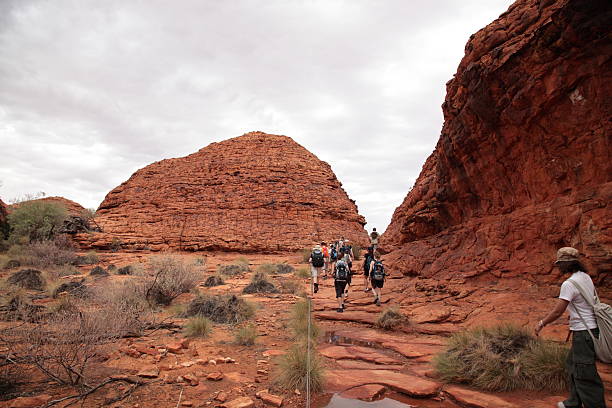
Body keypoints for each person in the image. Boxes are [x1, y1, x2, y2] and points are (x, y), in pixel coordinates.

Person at [535, 247, 605, 408]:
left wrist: (541, 323)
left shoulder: (569, 283)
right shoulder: (585, 277)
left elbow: (558, 310)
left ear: (567, 264)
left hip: (583, 332)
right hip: (591, 330)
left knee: (584, 372)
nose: (558, 267)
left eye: (560, 264)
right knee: (573, 364)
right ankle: (573, 402)